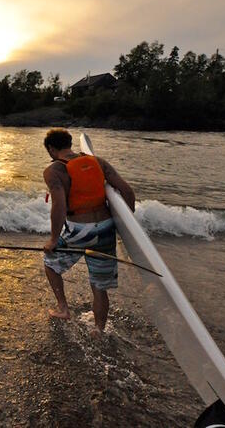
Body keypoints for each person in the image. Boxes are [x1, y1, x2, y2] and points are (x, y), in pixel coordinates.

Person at [41, 128, 135, 336]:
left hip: (79, 230)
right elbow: (127, 191)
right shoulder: (98, 162)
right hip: (106, 229)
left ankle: (63, 308)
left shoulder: (54, 171)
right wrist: (127, 227)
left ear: (51, 149)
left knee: (50, 264)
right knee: (99, 284)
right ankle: (99, 330)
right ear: (70, 143)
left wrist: (53, 240)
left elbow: (60, 207)